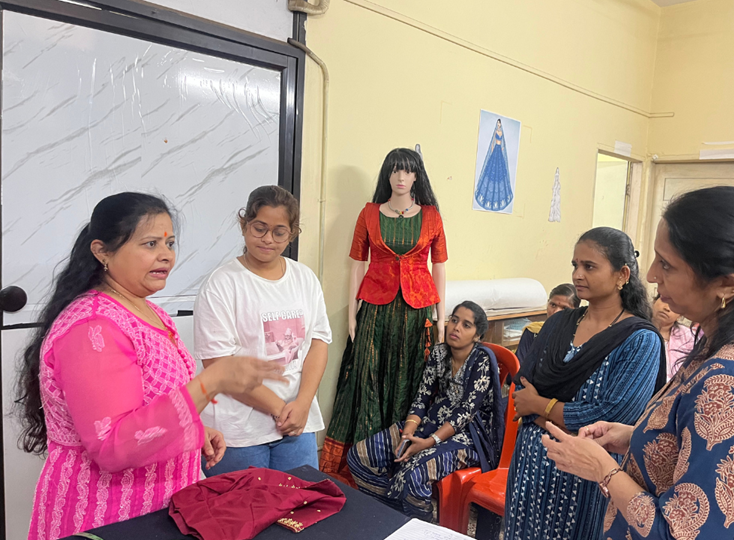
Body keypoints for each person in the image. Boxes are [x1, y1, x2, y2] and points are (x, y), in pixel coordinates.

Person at [541, 186, 734, 540]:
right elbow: (704, 452)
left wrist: (603, 469)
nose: (652, 275)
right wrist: (639, 438)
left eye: (666, 264)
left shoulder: (732, 379)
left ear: (727, 284)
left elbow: (685, 533)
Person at [16, 193, 284, 540]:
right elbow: (112, 446)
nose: (166, 255)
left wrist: (193, 430)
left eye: (169, 243)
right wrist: (212, 381)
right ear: (102, 252)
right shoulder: (93, 327)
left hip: (160, 506)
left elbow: (150, 404)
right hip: (108, 516)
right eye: (150, 243)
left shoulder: (148, 312)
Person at [504, 227, 666, 540]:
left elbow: (610, 417)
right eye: (575, 265)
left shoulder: (639, 340)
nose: (578, 274)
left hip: (587, 472)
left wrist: (540, 406)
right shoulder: (558, 323)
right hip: (531, 461)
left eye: (589, 266)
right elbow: (523, 388)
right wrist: (546, 415)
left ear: (622, 275)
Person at [322, 148, 448, 483]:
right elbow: (356, 264)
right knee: (369, 376)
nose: (400, 177)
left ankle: (402, 458)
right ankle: (365, 458)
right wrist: (352, 314)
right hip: (375, 308)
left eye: (407, 171)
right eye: (394, 170)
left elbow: (439, 266)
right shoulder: (369, 213)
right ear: (386, 175)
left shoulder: (432, 216)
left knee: (411, 378)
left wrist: (441, 318)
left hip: (417, 310)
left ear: (417, 176)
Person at [194, 186, 331, 474]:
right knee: (242, 503)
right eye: (259, 228)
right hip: (238, 433)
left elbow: (318, 342)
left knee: (303, 499)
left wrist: (303, 403)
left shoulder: (304, 278)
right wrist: (280, 409)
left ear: (292, 234)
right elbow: (217, 364)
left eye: (279, 232)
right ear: (244, 225)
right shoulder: (222, 283)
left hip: (297, 426)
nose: (268, 239)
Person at [347, 301, 503, 519]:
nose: (456, 327)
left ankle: (421, 526)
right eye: (454, 320)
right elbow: (422, 396)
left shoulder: (481, 360)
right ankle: (394, 514)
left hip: (468, 437)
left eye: (466, 325)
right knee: (359, 456)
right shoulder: (439, 353)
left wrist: (429, 442)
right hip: (431, 423)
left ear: (477, 336)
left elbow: (465, 413)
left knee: (414, 475)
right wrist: (408, 432)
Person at [516, 283, 581, 362]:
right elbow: (520, 363)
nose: (556, 312)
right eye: (553, 305)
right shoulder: (533, 331)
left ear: (575, 311)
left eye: (564, 308)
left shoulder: (578, 338)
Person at [652, 293, 697, 379]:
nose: (667, 308)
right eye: (664, 300)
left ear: (680, 316)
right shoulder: (636, 328)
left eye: (674, 306)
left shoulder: (689, 338)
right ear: (654, 301)